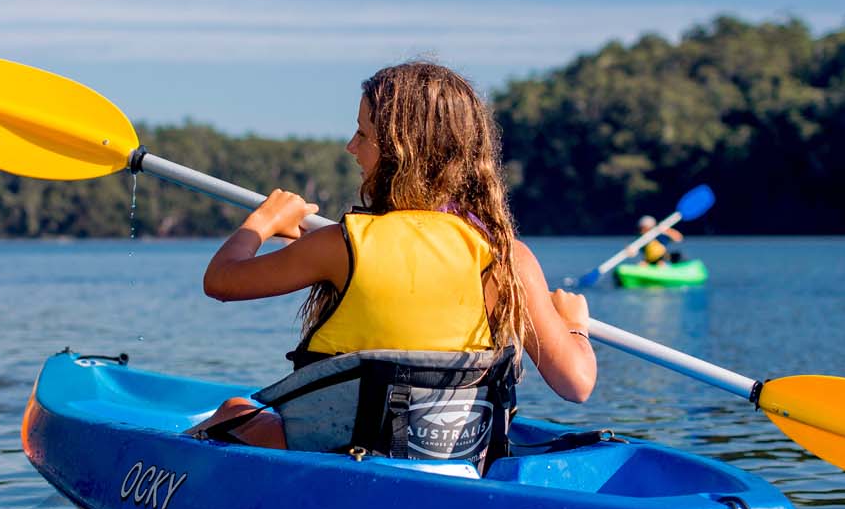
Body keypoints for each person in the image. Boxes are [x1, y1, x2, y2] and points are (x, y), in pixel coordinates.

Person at [187, 61, 595, 461]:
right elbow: (577, 384)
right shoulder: (507, 259)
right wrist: (573, 327)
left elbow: (221, 281)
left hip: (339, 455)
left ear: (399, 152)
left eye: (362, 134)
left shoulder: (339, 246)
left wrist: (262, 223)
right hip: (453, 458)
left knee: (234, 410)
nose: (351, 146)